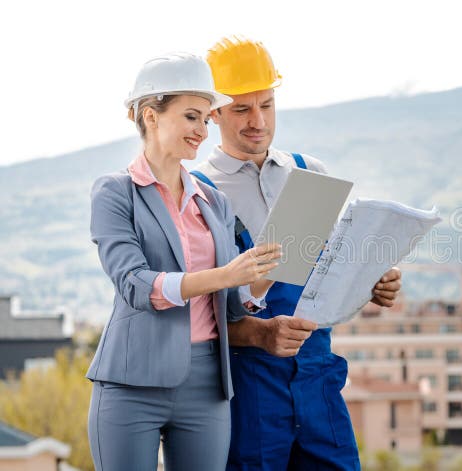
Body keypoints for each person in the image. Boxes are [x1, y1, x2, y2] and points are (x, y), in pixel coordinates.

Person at [192, 36, 403, 470]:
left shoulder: (311, 174)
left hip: (317, 376)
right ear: (212, 111)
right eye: (241, 108)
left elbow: (335, 272)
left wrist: (373, 281)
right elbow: (193, 313)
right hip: (249, 388)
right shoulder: (197, 191)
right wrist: (259, 333)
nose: (257, 120)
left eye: (266, 105)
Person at [86, 52, 297, 471]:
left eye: (206, 119)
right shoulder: (114, 193)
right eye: (192, 117)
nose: (203, 131)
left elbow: (230, 301)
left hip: (207, 384)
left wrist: (263, 275)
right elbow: (136, 285)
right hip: (132, 383)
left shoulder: (213, 201)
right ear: (151, 115)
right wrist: (225, 273)